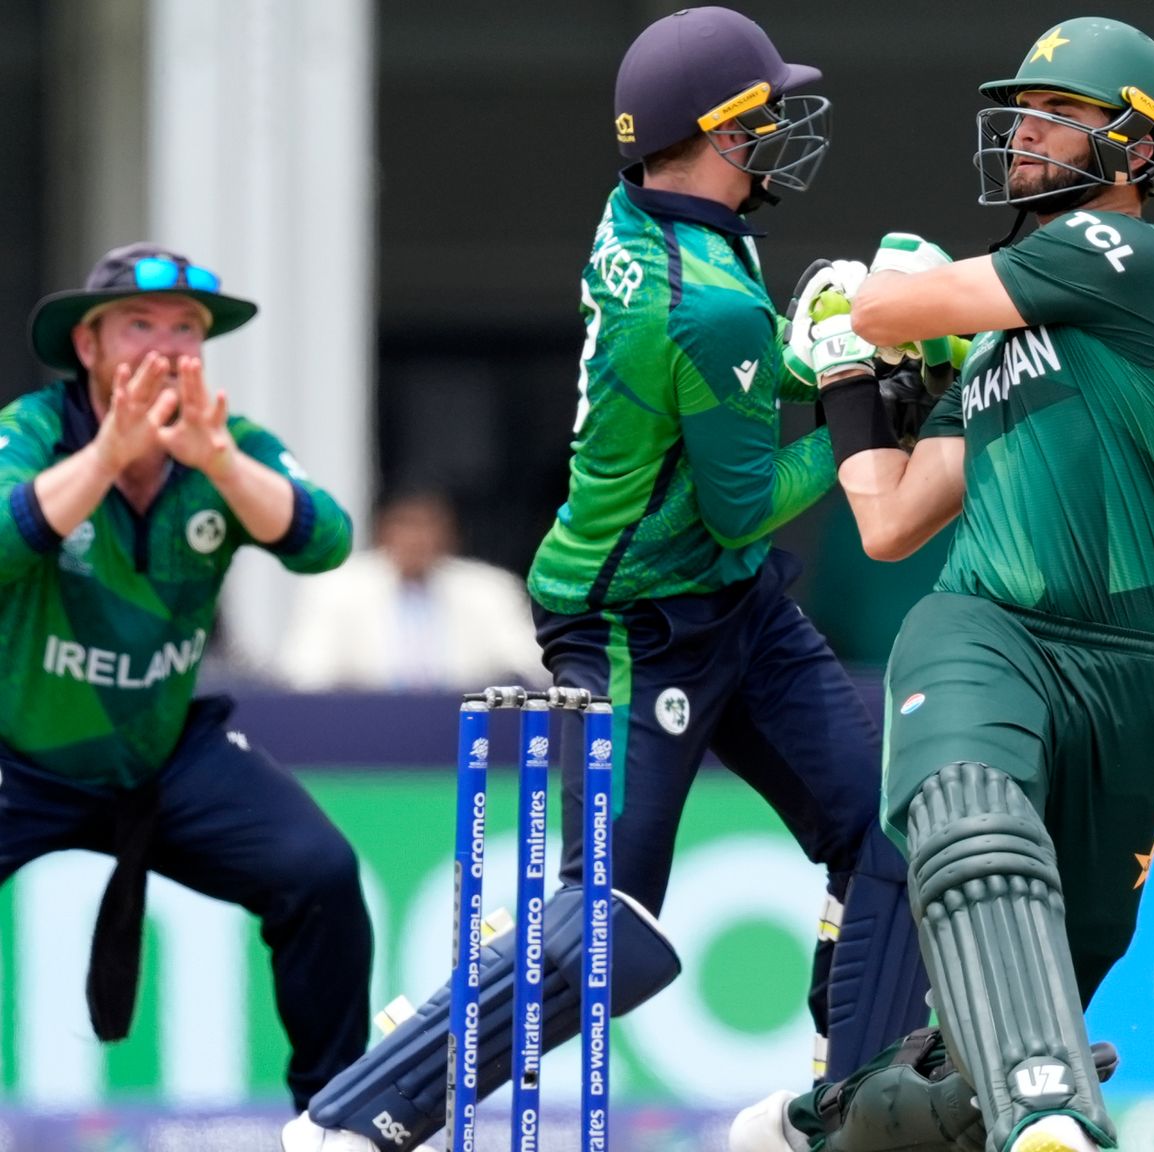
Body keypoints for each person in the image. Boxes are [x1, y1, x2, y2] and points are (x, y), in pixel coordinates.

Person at [285, 9, 928, 1150]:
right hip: (634, 620)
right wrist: (863, 409)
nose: (782, 130)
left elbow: (721, 387)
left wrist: (812, 350)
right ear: (718, 133)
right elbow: (749, 494)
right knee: (611, 932)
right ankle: (355, 1114)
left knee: (887, 839)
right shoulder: (705, 302)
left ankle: (841, 1115)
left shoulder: (648, 214)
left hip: (732, 598)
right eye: (765, 113)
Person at [734, 18, 1154, 1152]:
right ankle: (1045, 1105)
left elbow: (893, 307)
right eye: (1023, 114)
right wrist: (851, 390)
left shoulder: (1135, 260)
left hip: (1132, 680)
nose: (1027, 133)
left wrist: (859, 304)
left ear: (1136, 151)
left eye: (1060, 115)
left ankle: (834, 1126)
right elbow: (890, 518)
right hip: (991, 629)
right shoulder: (993, 348)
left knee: (982, 1043)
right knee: (972, 826)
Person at [0, 244, 365, 1108]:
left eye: (187, 331)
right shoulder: (32, 431)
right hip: (18, 754)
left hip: (160, 756)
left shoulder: (227, 443)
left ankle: (341, 1118)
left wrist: (219, 465)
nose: (167, 348)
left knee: (319, 872)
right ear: (87, 346)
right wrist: (103, 460)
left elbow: (327, 543)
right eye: (139, 325)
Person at [278, 488, 546, 690]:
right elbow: (305, 674)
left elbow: (531, 669)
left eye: (429, 525)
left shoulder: (489, 590)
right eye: (406, 524)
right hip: (364, 730)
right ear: (382, 529)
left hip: (461, 726)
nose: (418, 538)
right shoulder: (334, 588)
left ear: (450, 533)